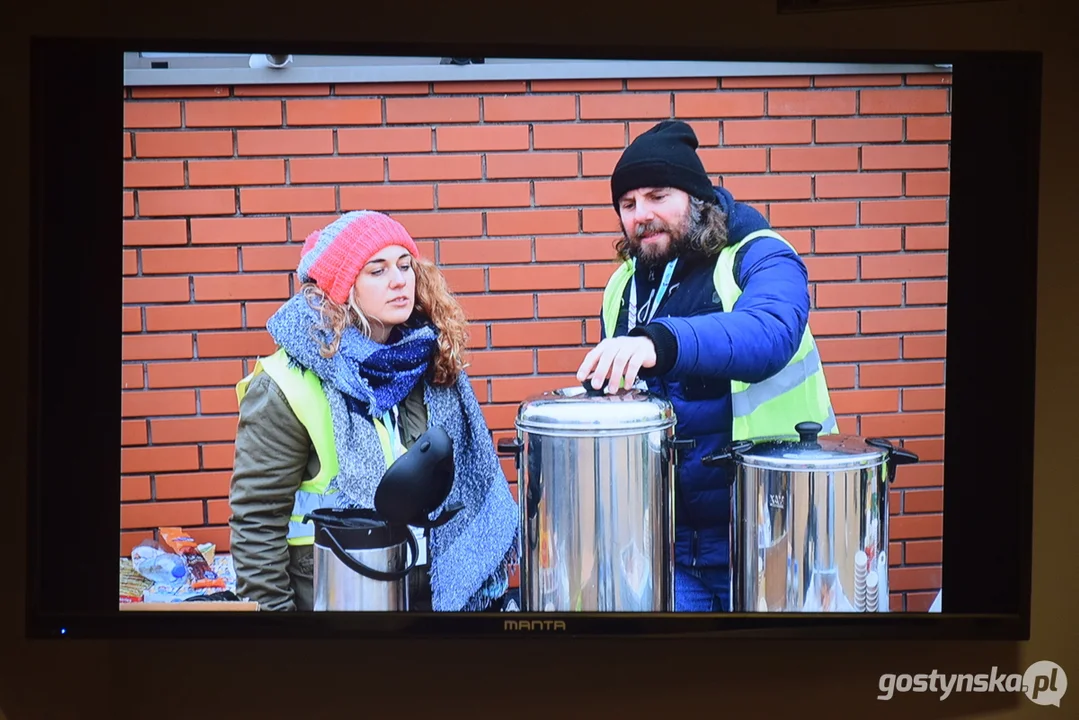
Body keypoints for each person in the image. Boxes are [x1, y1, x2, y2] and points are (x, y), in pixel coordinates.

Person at [576, 120, 836, 613]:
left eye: (657, 196)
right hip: (668, 548)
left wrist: (664, 341)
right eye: (627, 205)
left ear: (698, 200)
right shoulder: (623, 287)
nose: (642, 216)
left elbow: (770, 332)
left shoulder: (758, 254)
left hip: (774, 534)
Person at [228, 210, 519, 612]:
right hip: (333, 606)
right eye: (376, 270)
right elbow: (256, 524)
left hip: (431, 603)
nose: (399, 280)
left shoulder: (431, 363)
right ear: (341, 287)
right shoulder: (286, 382)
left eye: (405, 265)